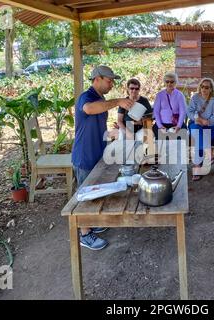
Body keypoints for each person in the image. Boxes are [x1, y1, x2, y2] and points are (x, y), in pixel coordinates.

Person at [72, 65, 133, 250]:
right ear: (97, 78)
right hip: (84, 154)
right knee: (84, 195)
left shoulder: (100, 99)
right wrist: (118, 101)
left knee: (96, 189)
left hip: (97, 150)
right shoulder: (87, 97)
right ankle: (85, 234)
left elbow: (94, 123)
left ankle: (92, 222)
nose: (112, 84)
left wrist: (110, 133)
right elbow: (89, 110)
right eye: (109, 80)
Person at [187, 78, 214, 181]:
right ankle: (208, 155)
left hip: (210, 126)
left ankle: (199, 164)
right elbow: (189, 112)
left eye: (206, 87)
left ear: (211, 89)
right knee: (197, 134)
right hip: (196, 124)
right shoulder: (195, 98)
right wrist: (197, 119)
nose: (204, 89)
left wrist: (206, 122)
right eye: (202, 86)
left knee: (199, 138)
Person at [152, 72, 187, 138]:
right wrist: (160, 127)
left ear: (175, 82)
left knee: (180, 136)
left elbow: (183, 112)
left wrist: (178, 126)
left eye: (172, 82)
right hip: (162, 124)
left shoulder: (180, 95)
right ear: (164, 82)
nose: (169, 83)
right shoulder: (159, 95)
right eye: (167, 81)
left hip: (176, 124)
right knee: (162, 139)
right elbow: (156, 112)